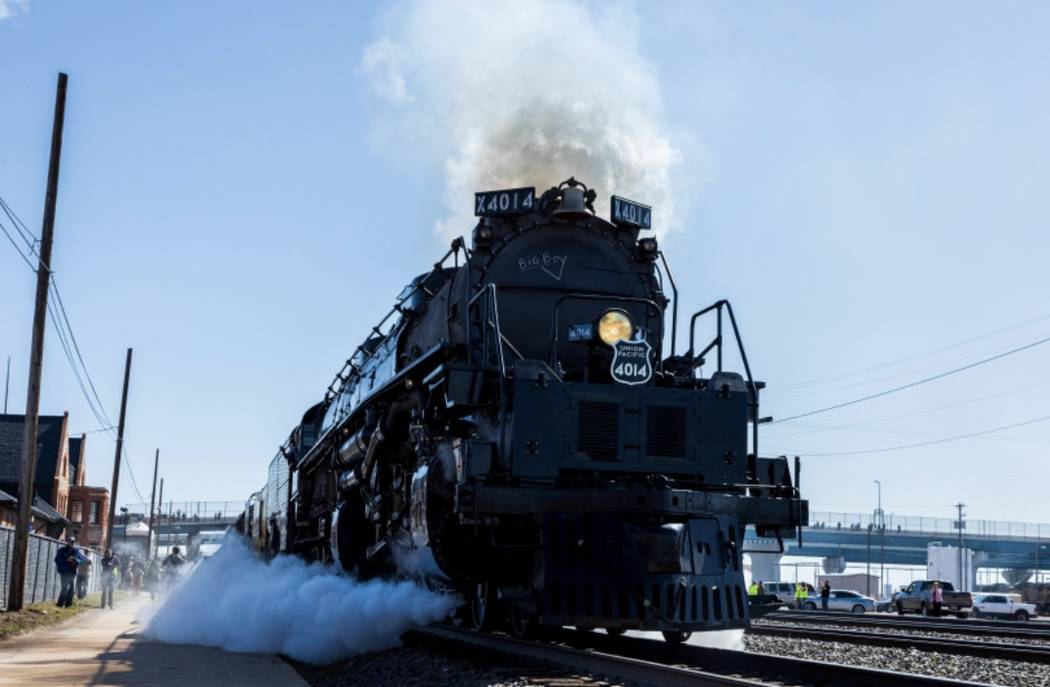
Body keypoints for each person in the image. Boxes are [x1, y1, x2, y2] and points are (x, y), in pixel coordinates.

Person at [54, 537, 85, 608]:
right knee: (65, 587)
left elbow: (82, 560)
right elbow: (56, 560)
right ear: (67, 542)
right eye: (71, 542)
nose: (72, 543)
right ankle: (60, 603)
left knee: (71, 589)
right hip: (64, 572)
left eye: (73, 542)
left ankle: (68, 604)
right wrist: (66, 560)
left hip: (72, 572)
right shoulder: (62, 550)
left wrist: (75, 560)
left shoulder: (76, 551)